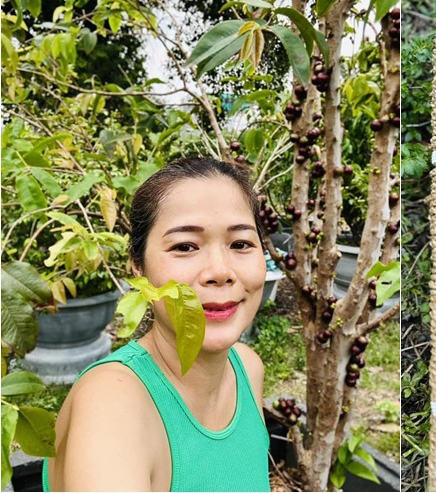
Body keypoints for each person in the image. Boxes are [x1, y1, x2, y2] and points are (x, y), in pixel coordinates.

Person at [43, 156, 271, 491]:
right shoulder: (112, 405)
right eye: (184, 246)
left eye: (240, 244)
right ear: (138, 267)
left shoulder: (248, 369)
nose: (220, 271)